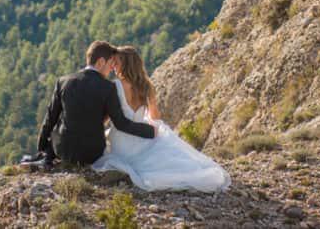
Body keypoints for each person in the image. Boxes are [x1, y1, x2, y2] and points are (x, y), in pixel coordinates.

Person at [92, 46, 231, 192]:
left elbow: (109, 116)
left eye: (116, 62)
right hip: (142, 134)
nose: (113, 66)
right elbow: (155, 116)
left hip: (121, 141)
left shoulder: (114, 85)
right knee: (167, 154)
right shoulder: (146, 86)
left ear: (125, 63)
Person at [30, 41, 155, 168]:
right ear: (101, 62)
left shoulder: (63, 81)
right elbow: (121, 123)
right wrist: (150, 131)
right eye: (110, 65)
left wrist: (41, 149)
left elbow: (50, 119)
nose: (111, 70)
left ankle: (45, 157)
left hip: (64, 152)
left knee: (60, 120)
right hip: (93, 154)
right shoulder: (108, 87)